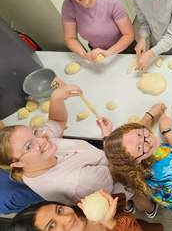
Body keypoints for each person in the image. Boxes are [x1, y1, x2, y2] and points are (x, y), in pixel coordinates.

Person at [0, 84, 153, 215]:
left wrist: (56, 98)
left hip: (107, 171)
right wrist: (107, 139)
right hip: (114, 183)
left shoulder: (41, 151)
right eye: (28, 146)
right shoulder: (75, 182)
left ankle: (127, 206)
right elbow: (114, 172)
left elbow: (57, 121)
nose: (42, 138)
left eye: (34, 132)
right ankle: (149, 209)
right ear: (16, 164)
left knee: (125, 201)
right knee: (136, 195)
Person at [102, 108, 172, 228]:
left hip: (169, 202)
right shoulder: (169, 166)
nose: (148, 139)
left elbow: (129, 143)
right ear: (135, 160)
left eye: (139, 134)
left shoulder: (130, 167)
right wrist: (167, 132)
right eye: (139, 147)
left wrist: (106, 137)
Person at [60, 0, 135, 63]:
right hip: (98, 55)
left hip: (124, 51)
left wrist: (108, 52)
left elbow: (129, 35)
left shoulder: (110, 2)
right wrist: (84, 54)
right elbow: (70, 37)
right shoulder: (69, 5)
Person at [8, 190, 144, 231]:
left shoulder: (79, 211)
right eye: (52, 226)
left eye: (59, 210)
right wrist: (111, 223)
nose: (66, 218)